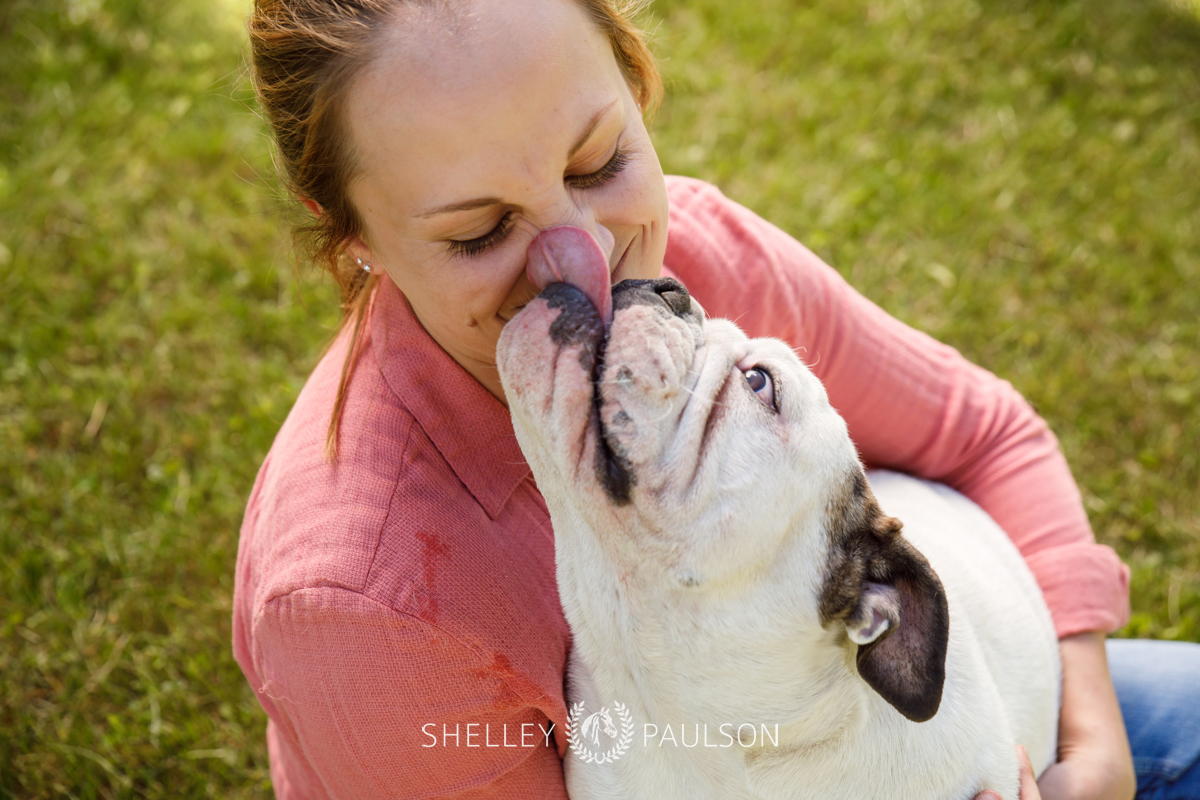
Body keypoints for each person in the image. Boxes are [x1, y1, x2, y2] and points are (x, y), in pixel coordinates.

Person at [230, 1, 1200, 798]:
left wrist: (1092, 739)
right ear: (351, 229)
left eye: (598, 163)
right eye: (481, 228)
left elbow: (985, 436)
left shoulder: (699, 254)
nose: (586, 262)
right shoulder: (361, 604)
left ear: (638, 84)